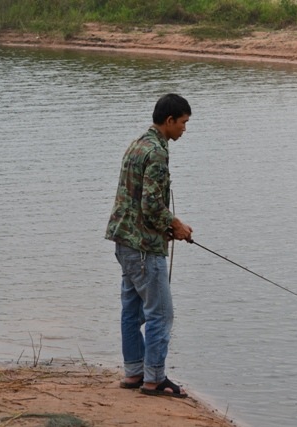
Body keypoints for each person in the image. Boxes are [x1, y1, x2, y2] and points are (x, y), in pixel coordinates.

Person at [105, 93, 193, 398]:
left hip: (124, 241)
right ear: (169, 121)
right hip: (143, 249)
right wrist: (176, 225)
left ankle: (134, 373)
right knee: (161, 314)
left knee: (131, 312)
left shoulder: (137, 143)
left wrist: (164, 229)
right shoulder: (156, 152)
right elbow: (153, 204)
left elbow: (137, 202)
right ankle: (154, 380)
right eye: (183, 123)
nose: (184, 129)